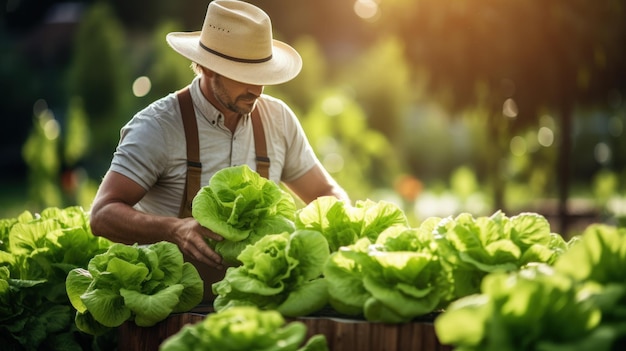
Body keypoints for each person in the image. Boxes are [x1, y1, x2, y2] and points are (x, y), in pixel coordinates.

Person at [89, 0, 349, 301]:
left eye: (262, 75)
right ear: (209, 67)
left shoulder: (279, 120)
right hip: (171, 310)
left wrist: (344, 228)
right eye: (244, 75)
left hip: (255, 305)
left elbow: (325, 191)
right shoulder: (157, 127)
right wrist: (174, 229)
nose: (257, 89)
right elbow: (102, 215)